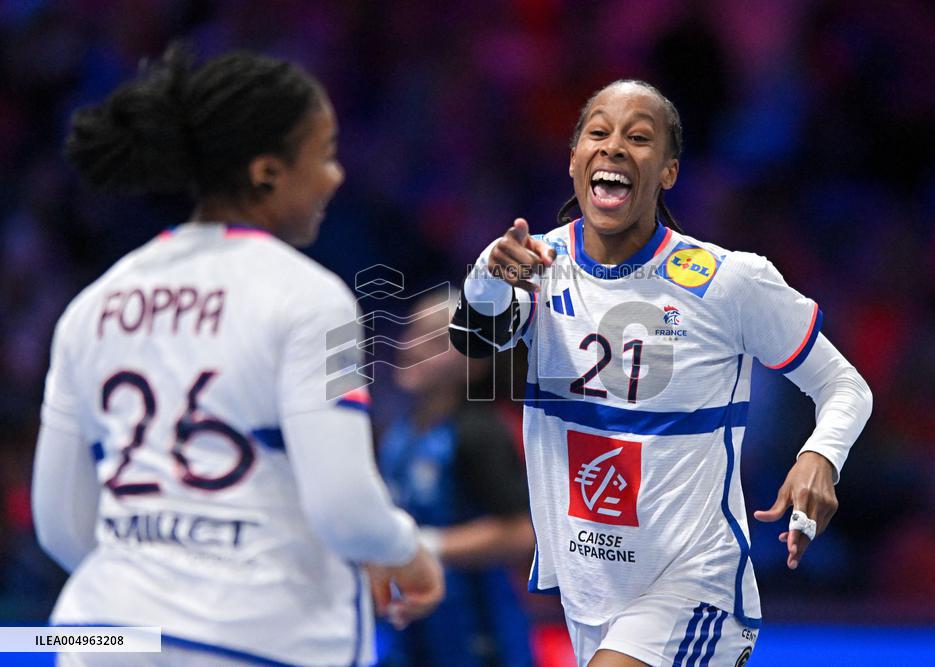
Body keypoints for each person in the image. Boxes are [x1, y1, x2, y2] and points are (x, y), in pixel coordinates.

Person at [32, 44, 443, 667]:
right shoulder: (314, 299)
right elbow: (344, 508)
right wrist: (408, 553)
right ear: (267, 172)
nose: (335, 176)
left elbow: (60, 524)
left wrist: (156, 586)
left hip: (101, 637)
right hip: (255, 643)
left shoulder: (91, 306)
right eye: (325, 155)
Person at [449, 80, 873, 667]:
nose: (614, 146)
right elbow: (473, 339)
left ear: (669, 171)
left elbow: (845, 384)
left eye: (639, 137)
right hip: (588, 592)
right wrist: (486, 273)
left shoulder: (728, 281)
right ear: (574, 160)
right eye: (597, 133)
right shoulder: (536, 265)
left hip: (693, 589)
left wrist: (820, 455)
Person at [376, 290, 536, 667]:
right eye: (411, 331)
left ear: (474, 362)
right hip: (410, 634)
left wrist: (426, 546)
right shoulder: (398, 433)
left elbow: (523, 533)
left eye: (434, 340)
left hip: (478, 639)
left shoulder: (480, 432)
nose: (413, 347)